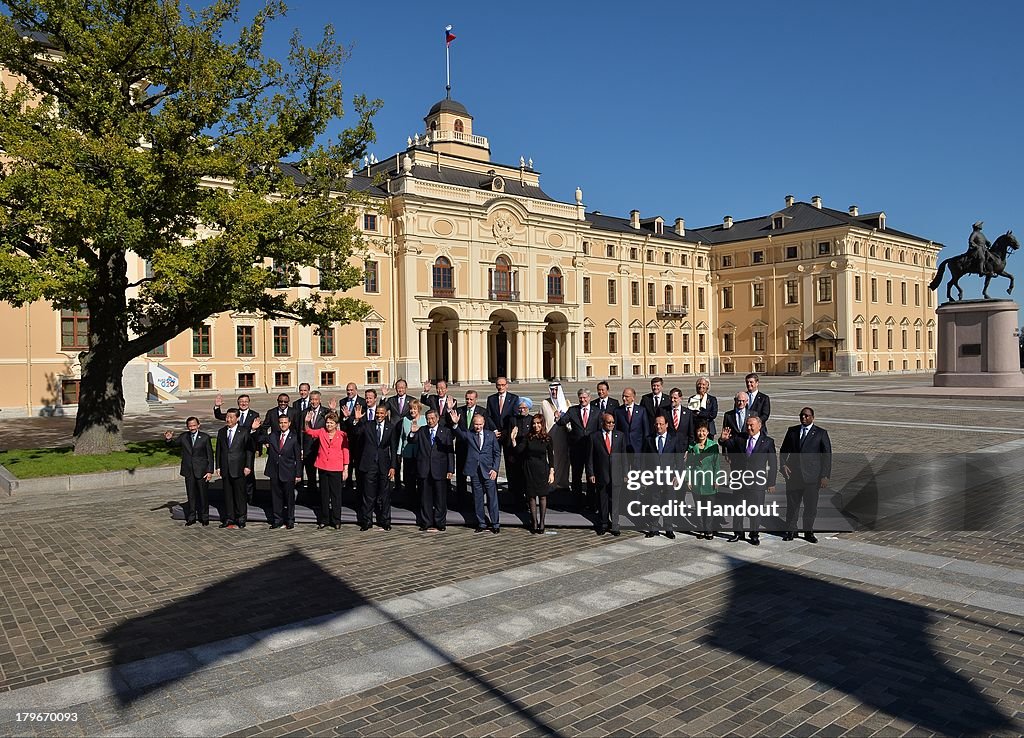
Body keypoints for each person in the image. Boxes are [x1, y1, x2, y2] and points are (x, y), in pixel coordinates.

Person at [719, 415, 777, 545]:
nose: (749, 427)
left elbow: (773, 463)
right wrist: (722, 440)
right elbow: (728, 443)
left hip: (757, 482)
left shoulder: (767, 442)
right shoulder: (740, 438)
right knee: (738, 508)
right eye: (747, 425)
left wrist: (771, 482)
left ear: (759, 426)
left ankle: (754, 534)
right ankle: (738, 533)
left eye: (752, 425)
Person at [780, 407, 832, 543]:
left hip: (812, 478)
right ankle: (791, 530)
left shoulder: (821, 433)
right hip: (794, 476)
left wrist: (825, 476)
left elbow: (827, 456)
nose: (804, 418)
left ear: (812, 417)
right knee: (792, 506)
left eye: (807, 416)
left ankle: (808, 531)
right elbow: (784, 450)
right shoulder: (792, 431)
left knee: (810, 507)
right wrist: (783, 465)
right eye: (802, 415)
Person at [452, 412, 503, 533]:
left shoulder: (490, 435)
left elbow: (497, 453)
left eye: (480, 424)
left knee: (492, 498)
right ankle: (481, 522)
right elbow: (459, 434)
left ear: (484, 424)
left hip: (489, 471)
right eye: (476, 424)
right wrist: (455, 424)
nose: (478, 427)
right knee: (478, 498)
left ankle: (495, 523)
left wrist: (495, 469)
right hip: (475, 471)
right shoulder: (470, 435)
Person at [251, 413, 302, 530]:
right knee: (276, 497)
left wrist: (298, 474)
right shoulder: (273, 435)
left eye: (285, 422)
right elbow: (259, 439)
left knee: (289, 498)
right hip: (274, 471)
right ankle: (277, 520)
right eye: (281, 423)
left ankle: (290, 520)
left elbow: (298, 458)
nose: (283, 425)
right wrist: (255, 429)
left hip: (288, 472)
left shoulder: (294, 438)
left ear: (289, 423)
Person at [352, 404, 398, 530]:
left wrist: (393, 466)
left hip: (384, 465)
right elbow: (356, 432)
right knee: (368, 495)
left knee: (385, 495)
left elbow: (393, 449)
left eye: (382, 413)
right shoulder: (368, 425)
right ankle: (367, 521)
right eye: (377, 413)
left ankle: (385, 521)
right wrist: (357, 420)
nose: (379, 415)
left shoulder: (391, 427)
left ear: (386, 414)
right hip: (369, 465)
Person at [303, 409, 350, 530]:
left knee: (336, 495)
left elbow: (345, 452)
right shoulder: (322, 432)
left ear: (336, 424)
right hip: (323, 467)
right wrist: (307, 422)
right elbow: (308, 431)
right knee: (324, 494)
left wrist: (346, 468)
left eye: (331, 423)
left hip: (336, 468)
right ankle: (324, 519)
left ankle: (336, 520)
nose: (329, 425)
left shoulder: (342, 435)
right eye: (327, 423)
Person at [164, 417, 214, 526]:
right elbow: (173, 444)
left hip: (202, 471)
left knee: (203, 495)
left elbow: (210, 455)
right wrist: (168, 439)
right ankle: (191, 517)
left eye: (194, 425)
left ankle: (204, 517)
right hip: (189, 471)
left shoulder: (205, 437)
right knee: (191, 495)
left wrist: (210, 471)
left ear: (198, 425)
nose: (192, 428)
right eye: (190, 426)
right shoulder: (184, 436)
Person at [557, 388, 601, 511]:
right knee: (576, 476)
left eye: (585, 397)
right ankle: (577, 503)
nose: (583, 400)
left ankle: (591, 503)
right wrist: (558, 418)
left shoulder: (597, 412)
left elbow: (598, 431)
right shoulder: (572, 410)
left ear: (589, 398)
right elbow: (562, 422)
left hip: (591, 450)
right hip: (576, 449)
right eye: (581, 398)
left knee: (591, 476)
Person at [512, 414, 555, 533]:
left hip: (542, 470)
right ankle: (534, 522)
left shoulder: (547, 438)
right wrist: (513, 439)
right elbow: (518, 451)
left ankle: (542, 522)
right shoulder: (528, 437)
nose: (536, 426)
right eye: (534, 423)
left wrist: (551, 472)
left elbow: (551, 457)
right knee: (531, 496)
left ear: (542, 424)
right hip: (529, 469)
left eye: (538, 423)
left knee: (542, 496)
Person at [448, 390, 493, 504]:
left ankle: (476, 501)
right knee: (461, 476)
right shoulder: (459, 411)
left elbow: (486, 429)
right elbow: (452, 427)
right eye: (467, 399)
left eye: (471, 399)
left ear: (476, 399)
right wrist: (452, 418)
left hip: (476, 450)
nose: (468, 401)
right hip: (461, 448)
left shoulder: (482, 412)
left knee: (476, 476)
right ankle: (461, 500)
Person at [641, 414, 683, 538]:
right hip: (654, 476)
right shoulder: (649, 439)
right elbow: (644, 458)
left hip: (669, 477)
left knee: (668, 502)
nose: (658, 426)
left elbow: (679, 460)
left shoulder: (673, 439)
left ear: (666, 425)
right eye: (656, 424)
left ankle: (668, 528)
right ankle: (654, 527)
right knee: (654, 501)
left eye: (661, 424)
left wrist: (678, 475)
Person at [414, 408, 455, 531]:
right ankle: (426, 521)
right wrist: (411, 433)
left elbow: (450, 452)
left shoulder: (445, 432)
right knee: (425, 498)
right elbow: (412, 440)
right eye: (428, 419)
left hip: (440, 469)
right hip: (424, 469)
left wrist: (450, 469)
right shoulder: (422, 430)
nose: (430, 421)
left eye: (432, 418)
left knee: (440, 498)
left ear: (437, 418)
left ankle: (440, 522)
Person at [214, 392, 259, 502]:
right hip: (233, 450)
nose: (243, 403)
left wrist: (253, 431)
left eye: (246, 401)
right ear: (238, 403)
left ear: (249, 403)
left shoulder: (254, 414)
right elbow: (219, 415)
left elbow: (258, 433)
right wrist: (217, 407)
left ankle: (250, 498)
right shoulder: (233, 413)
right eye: (241, 402)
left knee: (248, 473)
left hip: (247, 449)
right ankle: (236, 498)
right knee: (235, 475)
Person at [214, 409, 255, 529]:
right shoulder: (221, 432)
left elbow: (249, 450)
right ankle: (229, 518)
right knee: (228, 495)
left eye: (231, 417)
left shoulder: (243, 431)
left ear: (237, 418)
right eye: (227, 417)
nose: (228, 419)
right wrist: (218, 466)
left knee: (240, 495)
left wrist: (248, 466)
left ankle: (241, 518)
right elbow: (219, 450)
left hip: (239, 468)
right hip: (226, 468)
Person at [587, 412, 625, 536]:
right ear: (603, 423)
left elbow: (624, 456)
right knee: (602, 500)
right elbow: (590, 457)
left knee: (615, 501)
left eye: (613, 422)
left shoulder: (620, 436)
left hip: (617, 473)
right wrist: (591, 473)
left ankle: (615, 525)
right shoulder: (594, 437)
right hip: (601, 474)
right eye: (608, 422)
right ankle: (603, 524)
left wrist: (626, 473)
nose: (611, 424)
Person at [687, 421, 720, 540]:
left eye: (704, 431)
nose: (701, 433)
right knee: (699, 507)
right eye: (699, 431)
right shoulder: (692, 446)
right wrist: (688, 480)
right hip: (697, 480)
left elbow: (717, 464)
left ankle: (709, 529)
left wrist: (717, 479)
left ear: (708, 432)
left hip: (709, 480)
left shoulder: (713, 445)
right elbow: (688, 465)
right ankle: (700, 528)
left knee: (710, 508)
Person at [396, 400, 424, 514]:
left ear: (419, 410)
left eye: (415, 409)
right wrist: (399, 452)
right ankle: (410, 502)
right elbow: (402, 437)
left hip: (420, 454)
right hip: (407, 453)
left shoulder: (424, 420)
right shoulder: (405, 420)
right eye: (411, 409)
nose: (412, 411)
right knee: (409, 479)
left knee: (420, 479)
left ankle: (421, 502)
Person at [540, 383, 570, 491]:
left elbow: (570, 423)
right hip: (550, 438)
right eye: (552, 390)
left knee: (564, 461)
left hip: (563, 438)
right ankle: (551, 484)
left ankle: (562, 484)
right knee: (551, 460)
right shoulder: (545, 403)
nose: (553, 392)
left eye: (556, 390)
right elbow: (541, 421)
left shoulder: (566, 404)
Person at [505, 398, 534, 502]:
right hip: (516, 453)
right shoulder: (513, 419)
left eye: (524, 408)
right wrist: (510, 455)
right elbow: (509, 438)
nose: (522, 410)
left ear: (528, 408)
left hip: (527, 454)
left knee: (528, 479)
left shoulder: (532, 419)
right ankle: (518, 501)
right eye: (520, 408)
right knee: (517, 479)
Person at [300, 390, 327, 503]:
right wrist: (301, 448)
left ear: (320, 400)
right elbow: (301, 431)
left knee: (323, 476)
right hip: (308, 448)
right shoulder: (304, 413)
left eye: (316, 399)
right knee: (311, 476)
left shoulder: (325, 412)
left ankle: (323, 500)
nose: (313, 402)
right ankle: (312, 500)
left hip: (322, 448)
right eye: (312, 399)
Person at [614, 387, 650, 460]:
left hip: (637, 447)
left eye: (627, 396)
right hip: (623, 447)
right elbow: (616, 430)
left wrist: (645, 446)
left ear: (633, 398)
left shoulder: (641, 410)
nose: (624, 398)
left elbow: (646, 430)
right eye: (623, 396)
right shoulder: (618, 411)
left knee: (636, 470)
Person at [486, 376, 519, 445]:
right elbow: (488, 416)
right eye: (498, 385)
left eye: (503, 385)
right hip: (495, 433)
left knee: (508, 455)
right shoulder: (491, 399)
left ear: (507, 385)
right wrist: (494, 430)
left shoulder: (514, 398)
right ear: (496, 386)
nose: (501, 387)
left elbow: (515, 415)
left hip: (508, 432)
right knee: (495, 454)